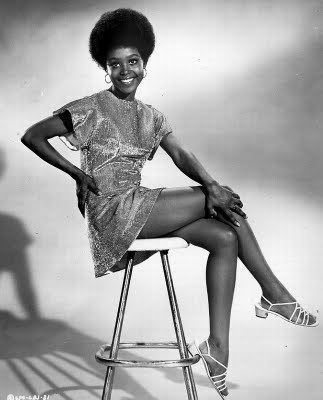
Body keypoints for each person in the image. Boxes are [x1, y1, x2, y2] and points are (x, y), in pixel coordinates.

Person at [21, 8, 318, 399]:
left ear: (144, 65)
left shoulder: (150, 116)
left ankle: (218, 348)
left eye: (133, 62)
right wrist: (77, 174)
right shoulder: (89, 107)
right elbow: (33, 135)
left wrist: (210, 185)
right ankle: (274, 294)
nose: (125, 70)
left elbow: (181, 155)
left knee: (224, 236)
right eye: (115, 64)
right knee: (218, 198)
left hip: (140, 208)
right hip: (112, 212)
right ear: (105, 69)